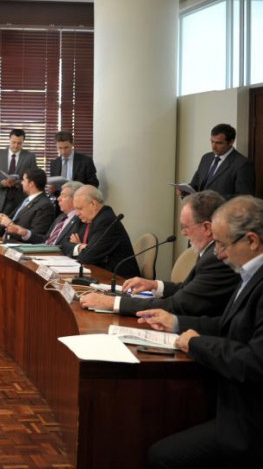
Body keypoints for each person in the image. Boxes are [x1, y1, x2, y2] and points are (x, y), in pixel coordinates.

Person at [139, 195, 263, 467]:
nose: (218, 254)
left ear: (252, 241)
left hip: (250, 420)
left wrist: (197, 344)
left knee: (162, 456)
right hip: (231, 399)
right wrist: (177, 324)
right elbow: (229, 326)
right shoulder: (249, 274)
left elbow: (255, 362)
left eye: (223, 244)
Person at [80, 190, 239, 315]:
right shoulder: (208, 250)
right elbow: (187, 289)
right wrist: (154, 285)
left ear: (207, 228)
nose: (183, 233)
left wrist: (113, 303)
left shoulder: (216, 257)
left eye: (185, 227)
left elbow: (179, 304)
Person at [61, 185, 139, 277]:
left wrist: (82, 249)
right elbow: (64, 243)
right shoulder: (84, 219)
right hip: (96, 273)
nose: (77, 213)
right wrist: (80, 247)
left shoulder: (106, 221)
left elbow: (87, 257)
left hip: (119, 279)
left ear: (93, 204)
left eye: (80, 208)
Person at [185, 123, 255, 199]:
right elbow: (195, 184)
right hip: (200, 206)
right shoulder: (206, 158)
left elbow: (244, 197)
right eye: (212, 141)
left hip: (222, 206)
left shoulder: (242, 164)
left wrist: (215, 199)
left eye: (219, 143)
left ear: (231, 142)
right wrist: (185, 190)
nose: (213, 147)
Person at [4, 181, 82, 245]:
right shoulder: (60, 218)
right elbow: (47, 240)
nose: (58, 198)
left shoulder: (80, 220)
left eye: (63, 196)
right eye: (59, 195)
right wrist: (25, 233)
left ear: (75, 198)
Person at [0, 168, 55, 242]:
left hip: (20, 246)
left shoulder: (45, 205)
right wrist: (3, 221)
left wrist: (10, 224)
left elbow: (36, 236)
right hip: (5, 241)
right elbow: (10, 221)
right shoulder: (26, 200)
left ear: (31, 184)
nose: (21, 183)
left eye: (24, 180)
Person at [0, 129, 37, 216]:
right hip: (0, 198)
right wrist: (2, 182)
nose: (16, 146)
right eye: (13, 142)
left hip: (20, 197)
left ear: (23, 142)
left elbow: (33, 178)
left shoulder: (30, 157)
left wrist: (18, 182)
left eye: (19, 143)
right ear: (9, 140)